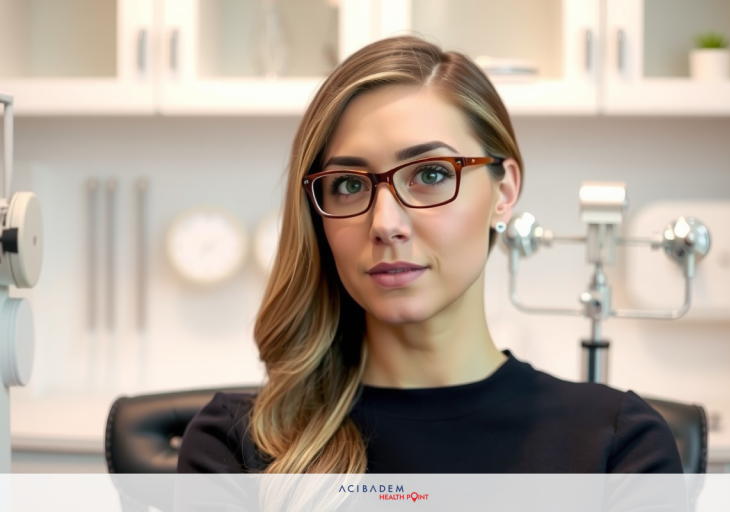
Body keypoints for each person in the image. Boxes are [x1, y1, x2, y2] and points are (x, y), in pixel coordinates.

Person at [177, 35, 683, 474]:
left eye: (431, 175)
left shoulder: (617, 445)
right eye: (350, 185)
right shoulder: (238, 446)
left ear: (503, 192)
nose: (385, 225)